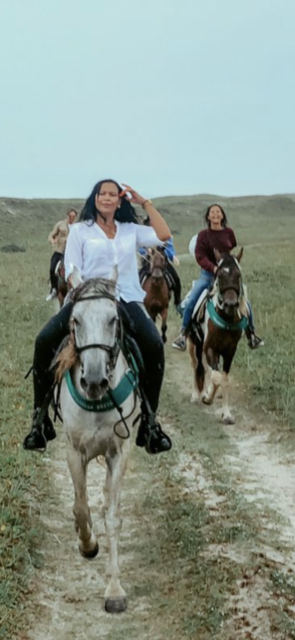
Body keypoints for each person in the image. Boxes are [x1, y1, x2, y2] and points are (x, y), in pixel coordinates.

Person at [23, 179, 172, 455]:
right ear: (94, 198)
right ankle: (40, 420)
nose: (106, 198)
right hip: (87, 299)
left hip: (126, 298)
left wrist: (145, 202)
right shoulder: (79, 231)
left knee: (153, 345)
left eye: (112, 194)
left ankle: (150, 423)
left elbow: (163, 235)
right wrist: (78, 287)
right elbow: (71, 268)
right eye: (102, 193)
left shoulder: (130, 230)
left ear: (119, 201)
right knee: (44, 341)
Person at [172, 204, 264, 351]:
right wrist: (213, 267)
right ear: (208, 217)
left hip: (227, 276)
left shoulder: (229, 232)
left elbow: (230, 248)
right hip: (208, 274)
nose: (215, 214)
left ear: (222, 215)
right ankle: (183, 334)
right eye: (212, 212)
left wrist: (227, 267)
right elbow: (200, 256)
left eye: (218, 212)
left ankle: (251, 334)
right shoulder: (203, 235)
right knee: (192, 300)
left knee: (245, 303)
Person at [139, 219, 182, 306]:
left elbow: (169, 247)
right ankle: (136, 300)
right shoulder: (143, 234)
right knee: (138, 277)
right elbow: (140, 248)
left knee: (175, 278)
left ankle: (178, 301)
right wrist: (147, 251)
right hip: (148, 262)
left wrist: (172, 256)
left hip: (162, 262)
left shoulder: (164, 234)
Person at [46, 208, 77, 301]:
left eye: (73, 216)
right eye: (70, 216)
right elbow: (51, 235)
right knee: (52, 268)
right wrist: (53, 241)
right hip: (60, 251)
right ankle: (54, 289)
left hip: (72, 253)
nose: (71, 218)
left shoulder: (77, 227)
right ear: (67, 215)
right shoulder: (60, 224)